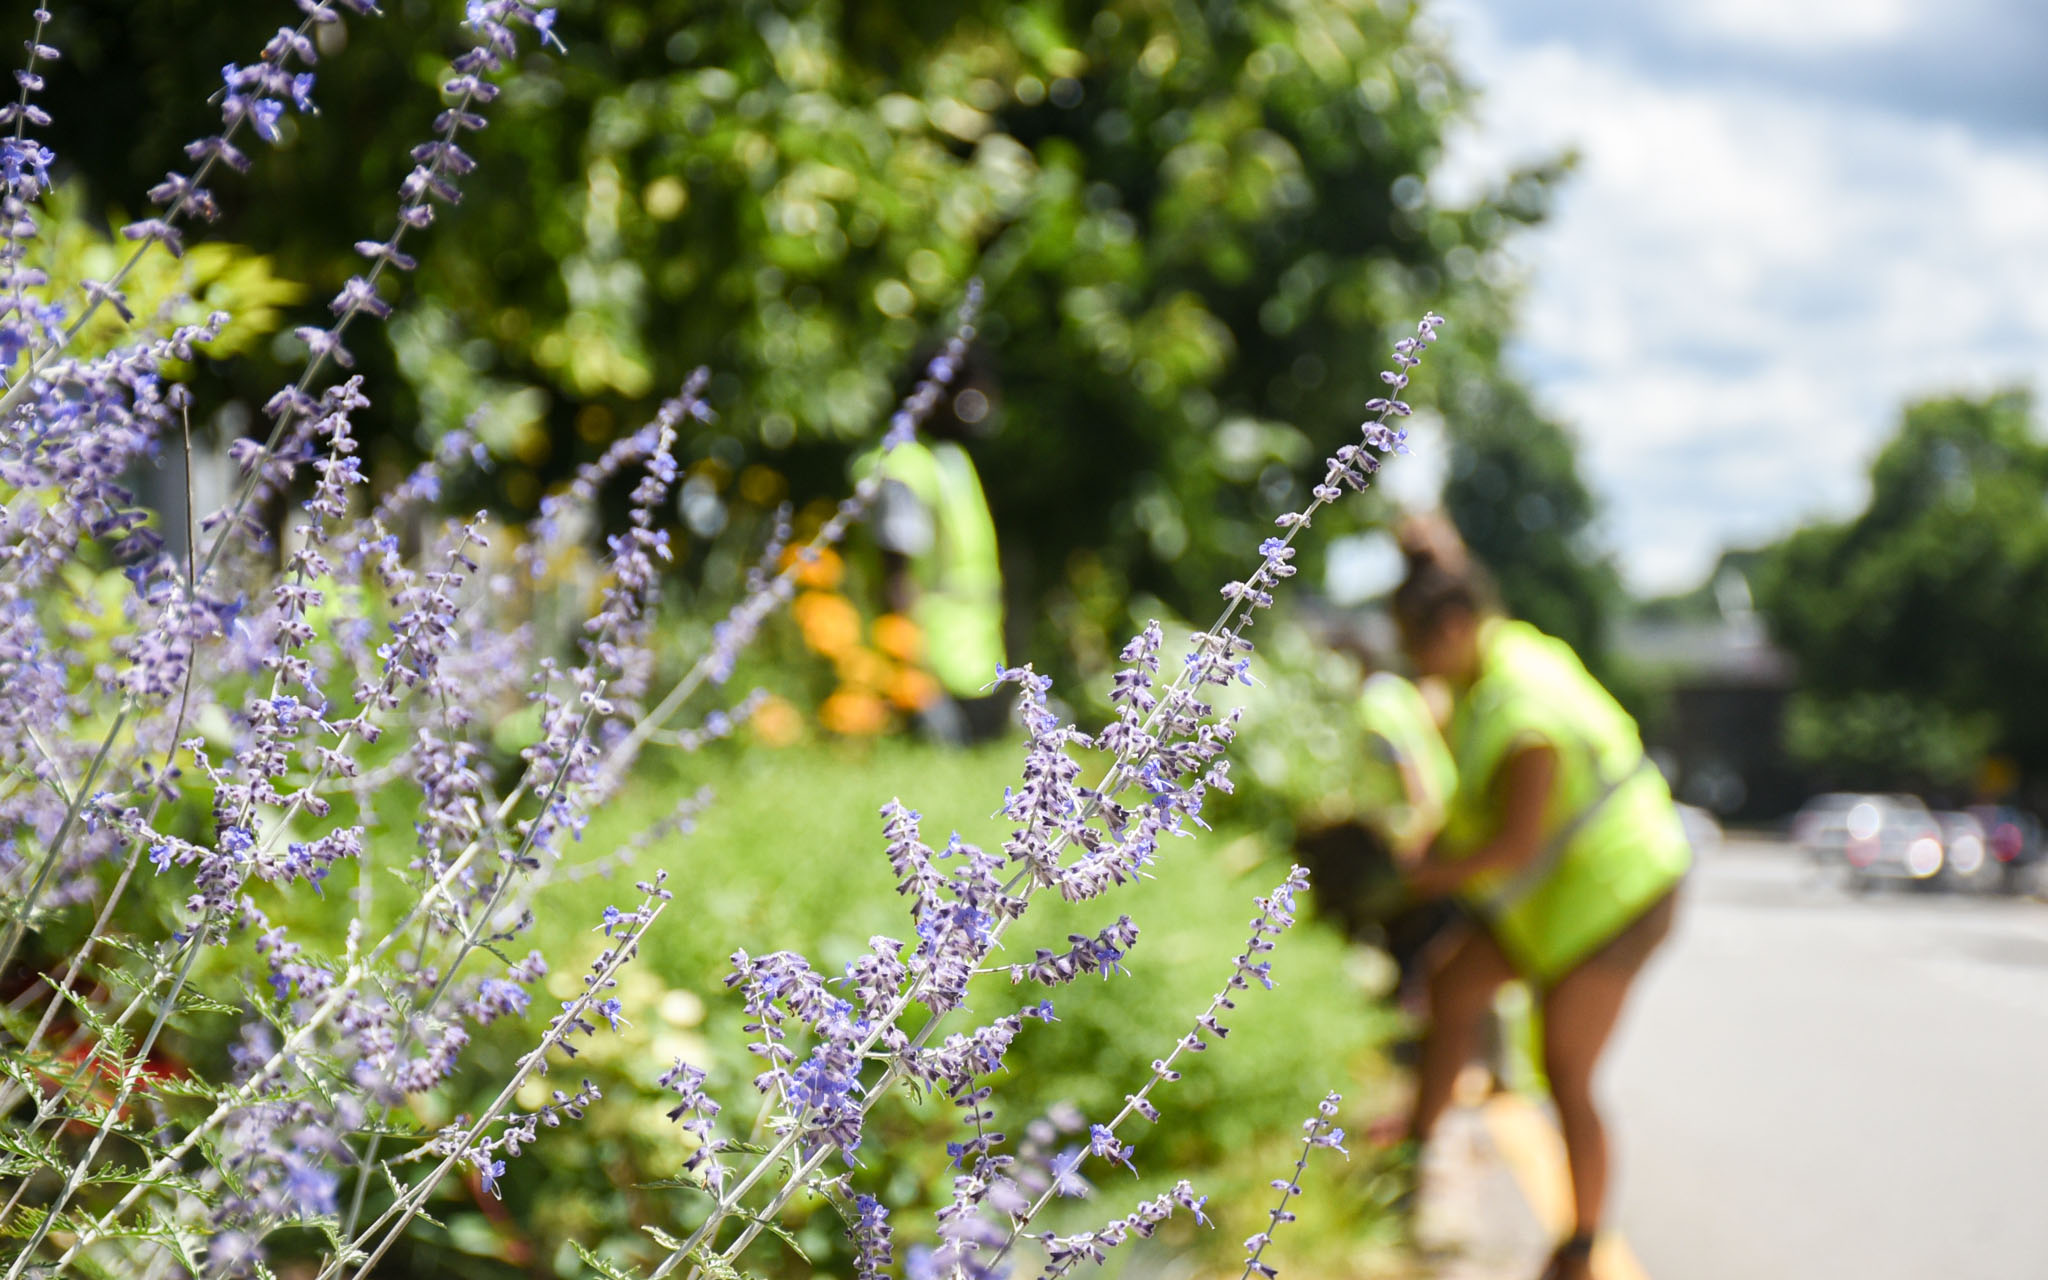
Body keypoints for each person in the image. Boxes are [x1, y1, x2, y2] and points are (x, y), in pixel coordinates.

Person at [1389, 524, 1690, 1280]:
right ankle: (1411, 1164)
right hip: (1561, 900)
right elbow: (1449, 581)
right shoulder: (1501, 648)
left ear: (1452, 631)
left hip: (1617, 898)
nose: (1413, 667)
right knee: (1453, 983)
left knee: (1566, 1070)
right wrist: (1429, 539)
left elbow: (1515, 846)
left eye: (1416, 649)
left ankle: (1580, 1248)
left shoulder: (1522, 713)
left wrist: (1426, 873)